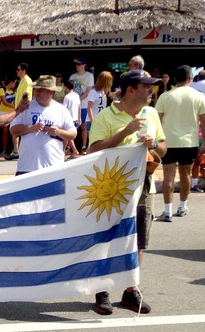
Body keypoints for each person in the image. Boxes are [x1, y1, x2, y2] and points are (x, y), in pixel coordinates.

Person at [88, 70, 167, 315]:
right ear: (131, 89)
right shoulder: (106, 116)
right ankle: (102, 289)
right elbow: (93, 150)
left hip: (144, 185)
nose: (151, 90)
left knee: (138, 239)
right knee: (108, 238)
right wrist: (125, 132)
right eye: (147, 86)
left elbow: (163, 149)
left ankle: (130, 288)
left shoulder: (151, 113)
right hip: (113, 188)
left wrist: (153, 144)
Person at [154, 65, 205, 221]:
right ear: (190, 78)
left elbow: (157, 119)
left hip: (168, 141)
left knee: (168, 176)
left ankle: (167, 210)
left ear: (174, 79)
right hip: (189, 142)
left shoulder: (165, 96)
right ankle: (182, 206)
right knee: (186, 175)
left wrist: (156, 141)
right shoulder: (198, 96)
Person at [9, 75, 77, 175]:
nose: (36, 92)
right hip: (26, 167)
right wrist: (31, 128)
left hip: (53, 168)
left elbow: (73, 134)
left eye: (41, 90)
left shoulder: (62, 110)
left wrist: (58, 131)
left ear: (51, 92)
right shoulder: (26, 107)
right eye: (36, 89)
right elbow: (13, 129)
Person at [69, 57, 95, 153]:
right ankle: (71, 147)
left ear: (84, 65)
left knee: (83, 125)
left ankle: (83, 146)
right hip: (73, 106)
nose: (77, 66)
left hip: (83, 105)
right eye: (76, 64)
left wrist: (79, 98)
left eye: (79, 64)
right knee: (71, 125)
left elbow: (88, 90)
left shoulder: (89, 76)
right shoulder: (72, 76)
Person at [0, 79, 18, 158]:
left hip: (12, 113)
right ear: (11, 82)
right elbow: (4, 101)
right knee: (5, 132)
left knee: (13, 132)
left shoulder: (14, 91)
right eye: (14, 83)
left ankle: (14, 149)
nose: (15, 85)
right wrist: (15, 107)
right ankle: (4, 149)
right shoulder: (2, 89)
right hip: (3, 112)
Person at [62, 80, 81, 157]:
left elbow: (64, 109)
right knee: (68, 136)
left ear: (66, 87)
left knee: (67, 136)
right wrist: (79, 118)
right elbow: (79, 107)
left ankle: (74, 150)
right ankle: (63, 151)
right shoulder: (76, 95)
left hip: (69, 119)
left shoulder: (67, 97)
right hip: (75, 119)